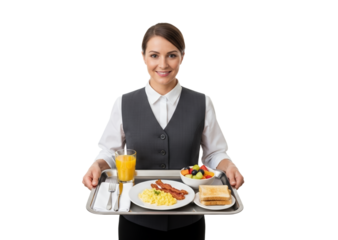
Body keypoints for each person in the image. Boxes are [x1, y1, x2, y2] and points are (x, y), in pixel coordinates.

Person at [80, 21, 245, 240]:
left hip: (189, 218)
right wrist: (97, 166)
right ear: (143, 57)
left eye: (172, 55)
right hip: (135, 216)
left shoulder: (203, 102)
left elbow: (215, 153)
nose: (163, 64)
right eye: (155, 55)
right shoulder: (122, 103)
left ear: (183, 57)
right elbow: (110, 152)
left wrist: (229, 166)